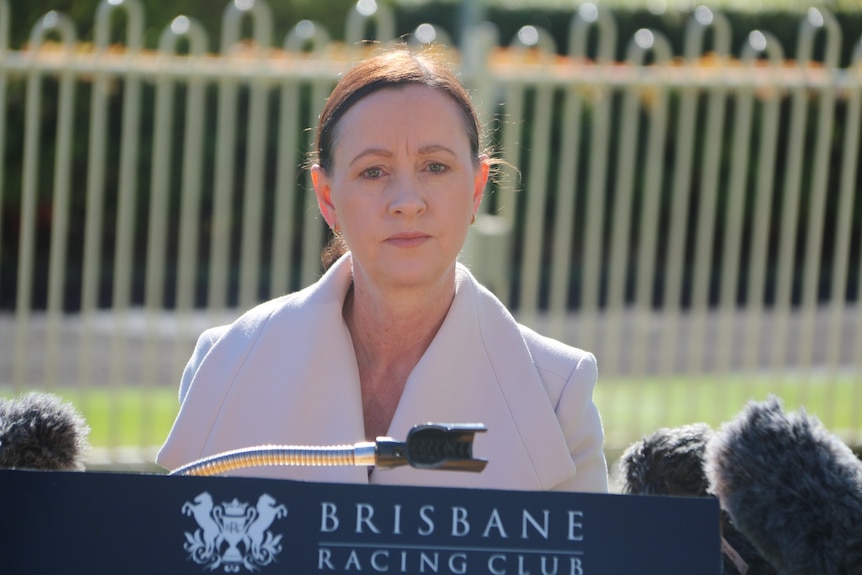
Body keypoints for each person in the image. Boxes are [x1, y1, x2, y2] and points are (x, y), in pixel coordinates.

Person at [157, 47, 608, 493]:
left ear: (475, 189)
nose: (407, 202)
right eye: (373, 172)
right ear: (327, 197)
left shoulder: (556, 397)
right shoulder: (226, 365)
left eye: (436, 166)